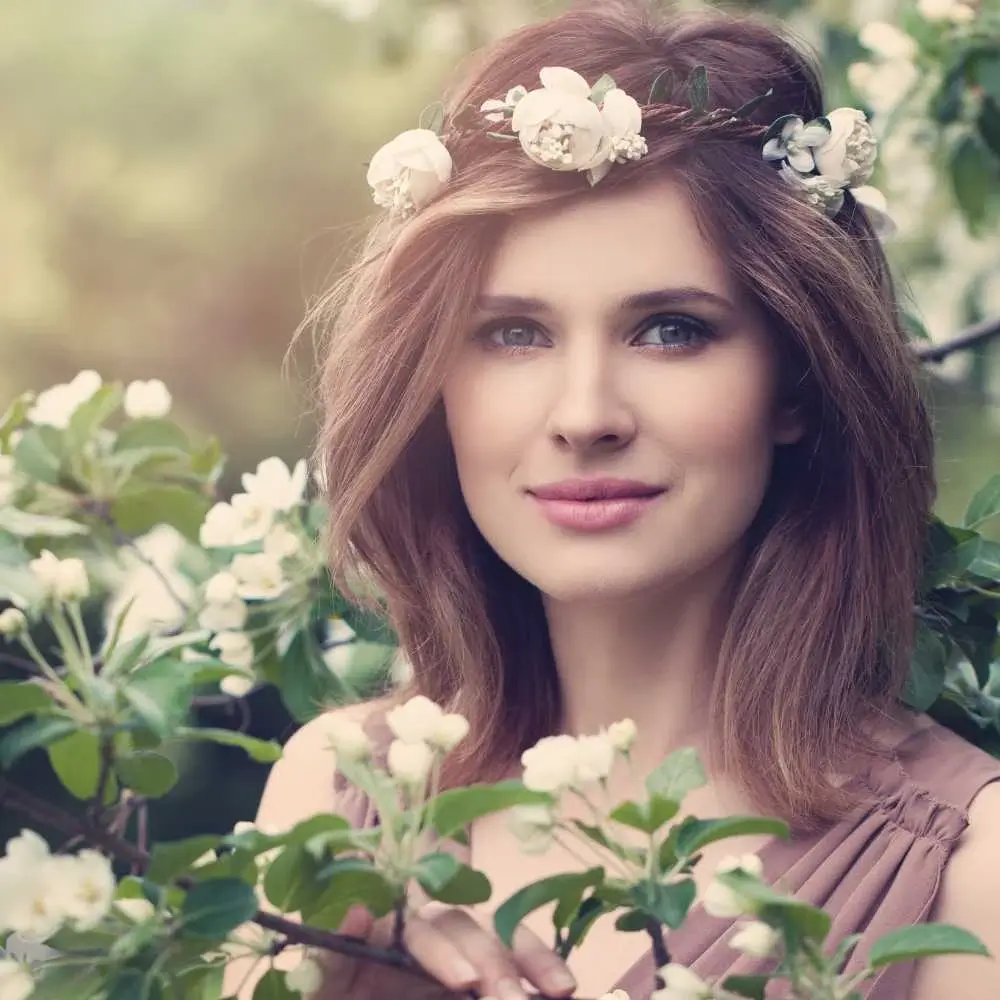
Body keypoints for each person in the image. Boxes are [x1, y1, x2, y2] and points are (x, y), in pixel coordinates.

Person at [224, 1, 1000, 997]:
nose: (584, 414)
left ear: (796, 385)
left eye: (671, 329)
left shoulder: (962, 877)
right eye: (513, 334)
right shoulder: (338, 795)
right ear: (435, 390)